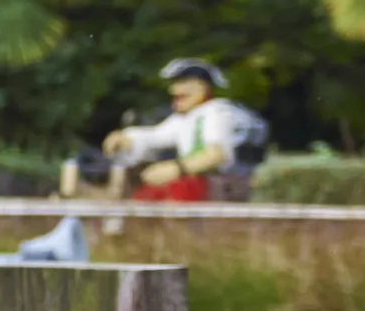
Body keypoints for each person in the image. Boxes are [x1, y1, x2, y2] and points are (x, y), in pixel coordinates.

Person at [65, 57, 266, 203]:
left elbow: (216, 155)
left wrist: (175, 169)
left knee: (166, 193)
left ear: (203, 87)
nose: (174, 90)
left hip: (221, 185)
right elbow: (156, 135)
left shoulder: (218, 113)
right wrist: (125, 137)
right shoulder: (186, 119)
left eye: (183, 83)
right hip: (199, 183)